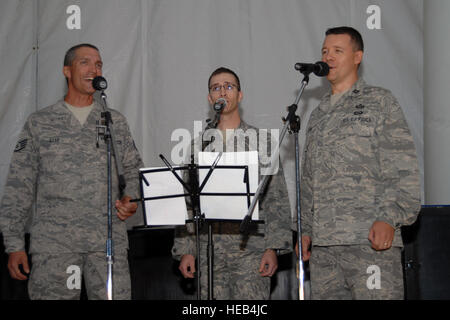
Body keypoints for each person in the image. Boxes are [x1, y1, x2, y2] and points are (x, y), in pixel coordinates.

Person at [0, 43, 144, 300]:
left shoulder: (113, 121)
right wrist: (14, 244)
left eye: (98, 64)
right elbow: (19, 185)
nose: (94, 69)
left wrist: (131, 199)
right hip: (55, 247)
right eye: (85, 62)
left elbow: (134, 170)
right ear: (67, 71)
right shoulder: (40, 122)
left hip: (106, 245)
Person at [296, 27, 421, 299]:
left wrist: (389, 217)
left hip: (369, 242)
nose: (328, 57)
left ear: (357, 57)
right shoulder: (317, 114)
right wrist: (304, 229)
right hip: (325, 249)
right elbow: (308, 178)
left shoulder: (380, 101)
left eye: (337, 51)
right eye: (325, 51)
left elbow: (403, 168)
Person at [172, 67, 292, 300]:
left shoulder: (263, 142)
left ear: (240, 95)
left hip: (251, 248)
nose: (223, 92)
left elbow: (277, 198)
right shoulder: (198, 145)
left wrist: (273, 247)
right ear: (210, 98)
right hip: (209, 252)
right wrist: (186, 249)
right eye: (216, 88)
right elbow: (188, 202)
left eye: (229, 86)